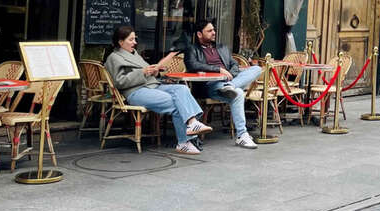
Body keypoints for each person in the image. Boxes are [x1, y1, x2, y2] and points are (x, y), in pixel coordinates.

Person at [104, 24, 212, 154]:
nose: (135, 42)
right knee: (177, 103)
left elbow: (146, 72)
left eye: (135, 39)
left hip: (152, 86)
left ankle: (193, 123)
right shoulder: (114, 58)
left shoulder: (134, 54)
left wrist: (155, 71)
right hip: (135, 92)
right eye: (131, 40)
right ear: (121, 42)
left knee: (182, 89)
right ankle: (185, 141)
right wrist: (143, 72)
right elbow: (120, 82)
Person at [184, 18, 263, 149]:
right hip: (210, 85)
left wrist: (230, 75)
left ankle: (230, 86)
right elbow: (192, 65)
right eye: (209, 31)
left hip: (229, 81)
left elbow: (234, 64)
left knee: (256, 68)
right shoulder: (192, 49)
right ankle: (242, 136)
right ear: (199, 34)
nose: (213, 33)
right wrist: (219, 70)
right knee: (238, 93)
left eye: (214, 30)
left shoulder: (221, 47)